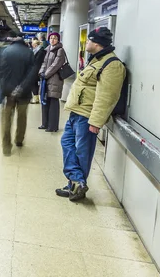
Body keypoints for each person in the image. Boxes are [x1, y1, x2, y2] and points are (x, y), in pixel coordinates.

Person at [57, 27, 126, 201]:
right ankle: (76, 182)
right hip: (77, 113)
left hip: (87, 116)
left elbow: (107, 96)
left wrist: (96, 122)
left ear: (96, 43)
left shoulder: (112, 65)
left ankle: (76, 184)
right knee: (67, 143)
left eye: (89, 40)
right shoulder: (97, 60)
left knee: (82, 152)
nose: (86, 42)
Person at [0, 32, 35, 155]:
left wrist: (6, 84)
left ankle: (6, 147)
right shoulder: (29, 52)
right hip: (24, 92)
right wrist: (22, 87)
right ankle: (19, 140)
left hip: (8, 92)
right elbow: (32, 74)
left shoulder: (5, 51)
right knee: (22, 117)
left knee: (7, 118)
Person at [39, 32, 66, 132]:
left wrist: (45, 74)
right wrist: (41, 72)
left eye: (55, 38)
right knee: (45, 101)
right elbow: (44, 63)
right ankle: (44, 123)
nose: (52, 40)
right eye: (51, 38)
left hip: (55, 79)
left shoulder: (60, 50)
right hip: (45, 79)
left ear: (58, 40)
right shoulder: (47, 50)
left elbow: (56, 65)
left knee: (53, 102)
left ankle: (52, 126)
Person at [30, 39, 45, 104]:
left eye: (33, 44)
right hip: (37, 69)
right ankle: (37, 98)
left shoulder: (40, 51)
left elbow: (37, 62)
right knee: (35, 84)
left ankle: (36, 99)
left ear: (36, 45)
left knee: (34, 84)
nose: (32, 46)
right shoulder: (39, 50)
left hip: (37, 70)